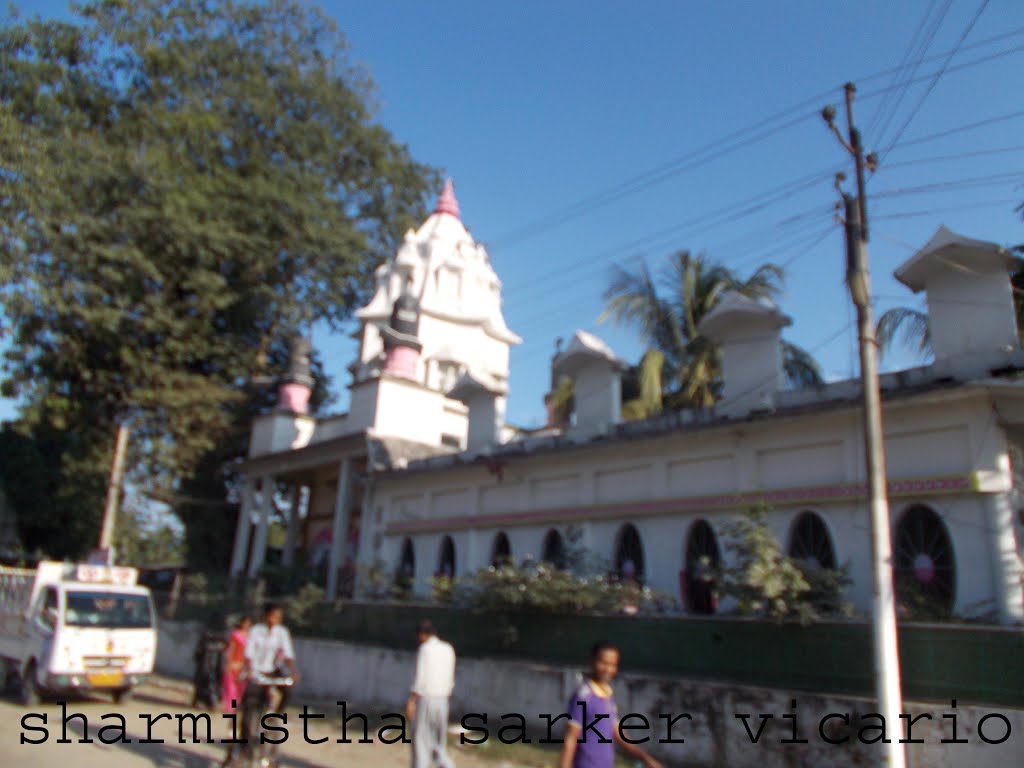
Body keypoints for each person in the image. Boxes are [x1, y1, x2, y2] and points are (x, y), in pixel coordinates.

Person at [559, 642, 663, 768]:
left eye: (612, 665)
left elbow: (618, 733)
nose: (608, 669)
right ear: (592, 662)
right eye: (603, 663)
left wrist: (645, 758)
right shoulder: (583, 696)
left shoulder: (607, 694)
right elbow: (570, 739)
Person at [239, 604, 299, 756]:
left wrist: (293, 672)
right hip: (256, 673)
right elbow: (248, 654)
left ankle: (276, 715)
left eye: (279, 617)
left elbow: (288, 654)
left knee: (288, 690)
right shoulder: (256, 631)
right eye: (273, 616)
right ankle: (244, 747)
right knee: (249, 708)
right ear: (266, 616)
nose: (276, 620)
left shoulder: (282, 632)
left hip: (273, 671)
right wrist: (248, 670)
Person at [405, 619, 456, 768]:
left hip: (426, 699)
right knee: (438, 744)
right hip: (443, 700)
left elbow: (420, 677)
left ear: (422, 634)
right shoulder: (448, 648)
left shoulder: (425, 649)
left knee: (421, 743)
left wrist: (411, 701)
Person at [219, 615, 251, 767]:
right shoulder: (236, 635)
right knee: (232, 711)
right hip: (233, 676)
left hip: (244, 676)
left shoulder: (250, 638)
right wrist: (230, 668)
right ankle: (231, 746)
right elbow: (230, 653)